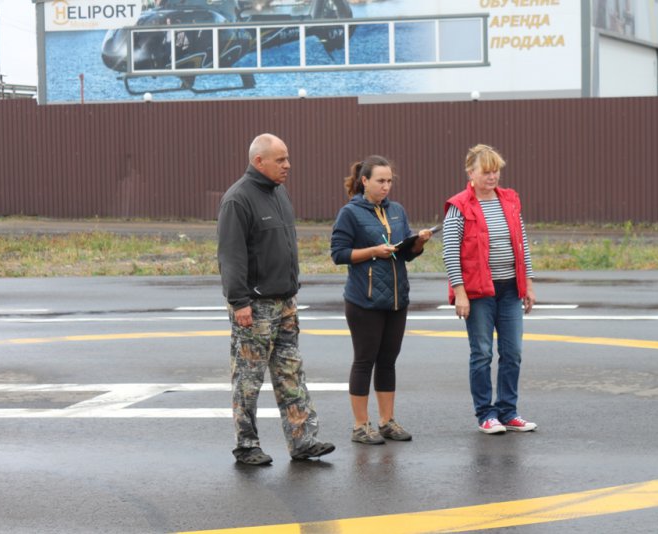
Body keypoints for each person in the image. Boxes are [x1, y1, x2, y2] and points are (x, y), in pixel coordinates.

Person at [217, 133, 335, 465]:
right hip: (254, 306)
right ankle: (246, 444)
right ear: (259, 162)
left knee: (291, 373)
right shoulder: (238, 200)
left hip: (285, 302)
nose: (288, 165)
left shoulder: (279, 193)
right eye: (280, 160)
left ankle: (303, 440)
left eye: (287, 158)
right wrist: (239, 301)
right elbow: (231, 256)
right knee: (248, 378)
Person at [330, 155, 433, 445]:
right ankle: (360, 426)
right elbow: (338, 254)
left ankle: (387, 421)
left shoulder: (397, 210)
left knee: (388, 362)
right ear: (365, 181)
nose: (386, 186)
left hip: (396, 301)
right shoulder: (350, 213)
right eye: (380, 181)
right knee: (364, 361)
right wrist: (374, 250)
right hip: (364, 300)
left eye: (389, 181)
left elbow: (403, 254)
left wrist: (418, 244)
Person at [442, 144, 538, 435]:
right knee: (481, 353)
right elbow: (450, 251)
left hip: (510, 290)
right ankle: (486, 414)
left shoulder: (509, 201)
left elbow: (521, 245)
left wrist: (529, 284)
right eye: (486, 171)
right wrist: (460, 292)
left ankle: (508, 412)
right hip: (479, 293)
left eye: (496, 170)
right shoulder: (459, 206)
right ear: (470, 172)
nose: (492, 176)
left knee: (513, 353)